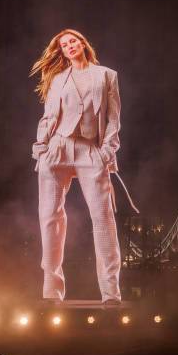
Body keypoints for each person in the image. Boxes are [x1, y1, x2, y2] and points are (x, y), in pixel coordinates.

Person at [29, 29, 122, 306]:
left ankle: (111, 293)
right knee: (49, 218)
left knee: (103, 219)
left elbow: (114, 119)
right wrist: (40, 147)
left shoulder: (107, 75)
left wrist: (106, 152)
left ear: (82, 43)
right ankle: (51, 292)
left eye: (72, 41)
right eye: (63, 45)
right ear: (61, 51)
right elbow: (48, 117)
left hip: (90, 150)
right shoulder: (57, 79)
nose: (68, 46)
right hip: (56, 149)